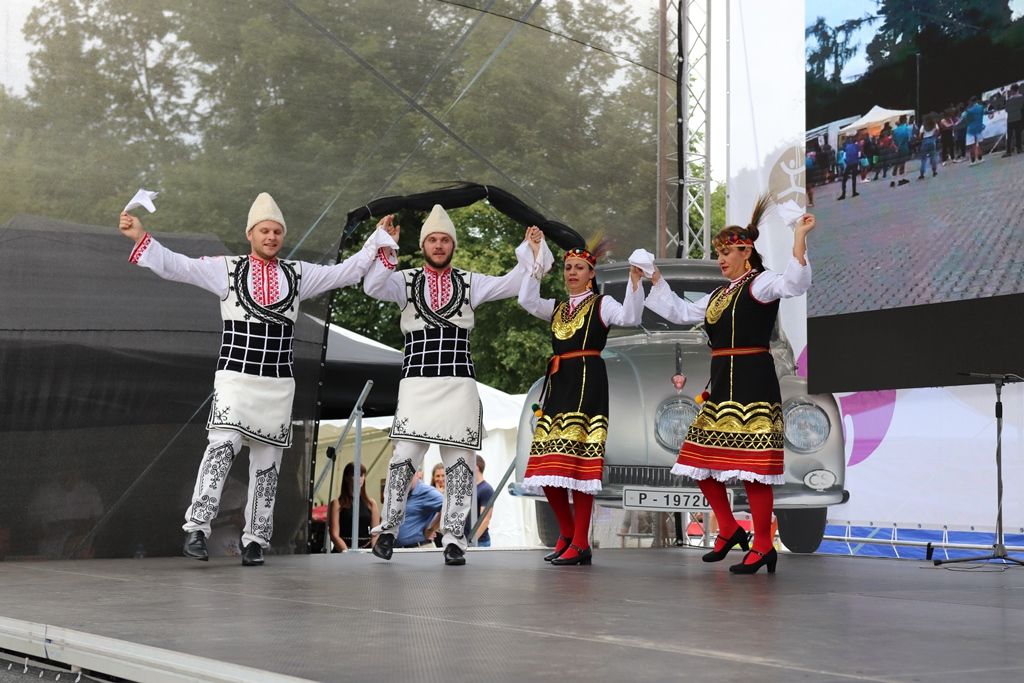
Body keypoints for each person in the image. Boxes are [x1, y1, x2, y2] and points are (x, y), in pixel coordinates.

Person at [119, 193, 397, 566]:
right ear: (250, 233)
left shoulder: (298, 275)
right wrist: (141, 237)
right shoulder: (227, 269)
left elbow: (343, 272)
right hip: (235, 378)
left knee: (267, 466)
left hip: (277, 384)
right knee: (222, 448)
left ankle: (255, 540)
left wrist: (376, 240)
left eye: (277, 231)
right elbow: (179, 266)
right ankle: (197, 528)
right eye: (265, 230)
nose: (271, 236)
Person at [363, 204, 547, 566]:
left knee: (460, 464)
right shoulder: (405, 280)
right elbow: (372, 286)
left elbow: (510, 283)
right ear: (423, 244)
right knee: (403, 460)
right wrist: (386, 247)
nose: (438, 244)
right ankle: (387, 532)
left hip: (459, 381)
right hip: (416, 382)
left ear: (453, 245)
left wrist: (531, 250)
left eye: (445, 239)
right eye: (432, 239)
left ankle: (454, 540)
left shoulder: (469, 282)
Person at [644, 196, 816, 574]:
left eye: (727, 252)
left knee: (754, 468)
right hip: (721, 384)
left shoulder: (762, 283)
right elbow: (678, 311)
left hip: (753, 380)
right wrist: (655, 279)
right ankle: (729, 528)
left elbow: (795, 282)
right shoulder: (718, 295)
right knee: (697, 461)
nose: (721, 259)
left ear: (747, 250)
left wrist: (799, 237)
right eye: (719, 252)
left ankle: (763, 546)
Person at [518, 227, 644, 566]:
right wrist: (533, 257)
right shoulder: (558, 308)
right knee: (547, 467)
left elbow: (631, 317)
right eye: (568, 267)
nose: (572, 273)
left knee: (579, 468)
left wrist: (635, 283)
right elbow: (526, 300)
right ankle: (568, 533)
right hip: (559, 386)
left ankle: (580, 541)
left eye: (579, 268)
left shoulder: (603, 305)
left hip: (588, 384)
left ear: (591, 275)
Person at [329, 463, 380, 551]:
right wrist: (346, 553)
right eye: (355, 475)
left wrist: (375, 552)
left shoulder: (371, 503)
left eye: (361, 475)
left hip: (365, 552)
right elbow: (334, 535)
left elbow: (375, 534)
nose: (359, 479)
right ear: (346, 478)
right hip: (343, 552)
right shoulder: (337, 504)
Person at [394, 470, 443, 548]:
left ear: (416, 474)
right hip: (399, 549)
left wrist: (431, 529)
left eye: (409, 475)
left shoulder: (426, 492)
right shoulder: (401, 493)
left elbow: (447, 507)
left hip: (419, 548)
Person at [467, 455, 494, 547]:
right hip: (469, 540)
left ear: (476, 467)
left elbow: (485, 519)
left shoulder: (486, 489)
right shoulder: (471, 488)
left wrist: (472, 540)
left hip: (480, 542)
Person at [962, 96, 986, 165]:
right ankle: (980, 158)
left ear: (971, 101)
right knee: (979, 144)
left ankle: (973, 161)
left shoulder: (969, 110)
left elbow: (967, 120)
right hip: (979, 128)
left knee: (972, 145)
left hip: (971, 129)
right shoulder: (981, 108)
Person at [836, 135, 860, 200]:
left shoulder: (846, 146)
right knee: (854, 178)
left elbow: (844, 155)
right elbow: (859, 154)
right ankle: (854, 192)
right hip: (855, 163)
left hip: (849, 164)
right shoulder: (856, 146)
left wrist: (847, 162)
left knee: (844, 179)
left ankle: (843, 194)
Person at [1002, 84, 1023, 157]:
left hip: (1010, 119)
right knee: (1018, 134)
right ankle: (1019, 149)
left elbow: (1006, 110)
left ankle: (1008, 151)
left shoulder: (1009, 100)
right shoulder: (1022, 97)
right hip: (1019, 118)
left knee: (1009, 136)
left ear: (1012, 90)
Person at [918, 114, 940, 180]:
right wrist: (935, 136)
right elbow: (938, 131)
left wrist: (920, 139)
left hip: (925, 141)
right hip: (932, 140)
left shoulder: (923, 126)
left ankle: (922, 174)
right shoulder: (934, 124)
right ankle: (934, 171)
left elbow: (920, 135)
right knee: (933, 157)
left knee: (923, 159)